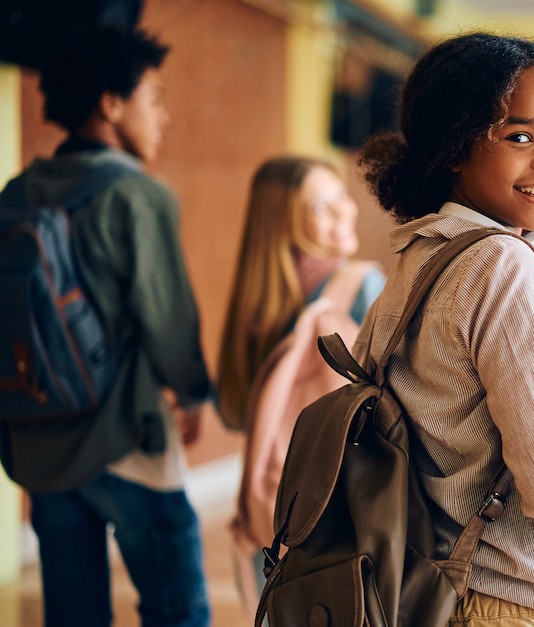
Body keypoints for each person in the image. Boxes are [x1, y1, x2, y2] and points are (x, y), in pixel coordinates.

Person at [353, 32, 534, 626]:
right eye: (519, 136)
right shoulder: (500, 263)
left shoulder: (419, 258)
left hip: (424, 590)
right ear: (456, 144)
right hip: (510, 602)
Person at [0, 25, 212, 627]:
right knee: (178, 611)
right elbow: (167, 316)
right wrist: (194, 392)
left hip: (39, 436)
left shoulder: (17, 192)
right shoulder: (138, 194)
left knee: (73, 614)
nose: (164, 116)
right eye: (155, 98)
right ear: (112, 104)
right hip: (128, 435)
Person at [216, 156, 385, 614]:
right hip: (336, 517)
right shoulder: (361, 286)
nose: (345, 211)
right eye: (321, 207)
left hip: (267, 518)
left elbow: (232, 413)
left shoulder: (253, 310)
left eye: (340, 198)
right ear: (284, 222)